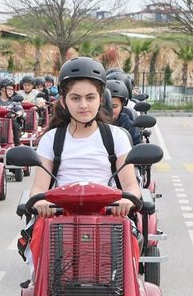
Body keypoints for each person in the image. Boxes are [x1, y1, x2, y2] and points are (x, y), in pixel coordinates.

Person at [26, 57, 140, 219]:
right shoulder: (51, 139)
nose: (83, 105)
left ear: (101, 99)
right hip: (60, 221)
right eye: (75, 98)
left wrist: (126, 200)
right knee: (34, 242)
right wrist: (40, 202)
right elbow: (38, 188)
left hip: (109, 220)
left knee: (132, 241)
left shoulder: (117, 137)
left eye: (90, 97)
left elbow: (131, 186)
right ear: (64, 101)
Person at [106, 79, 143, 146]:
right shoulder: (91, 124)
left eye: (114, 106)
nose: (109, 110)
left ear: (122, 106)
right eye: (105, 106)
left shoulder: (129, 126)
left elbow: (138, 149)